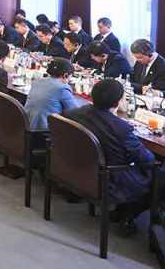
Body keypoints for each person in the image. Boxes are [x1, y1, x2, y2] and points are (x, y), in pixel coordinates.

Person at [65, 79, 157, 236]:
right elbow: (148, 160)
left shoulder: (75, 113)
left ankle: (120, 211)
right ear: (118, 102)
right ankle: (127, 215)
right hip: (109, 179)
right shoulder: (121, 128)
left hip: (80, 170)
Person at [24, 58, 80, 131]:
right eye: (70, 77)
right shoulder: (62, 88)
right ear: (65, 75)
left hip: (25, 125)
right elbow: (75, 113)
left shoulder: (37, 81)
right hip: (43, 131)